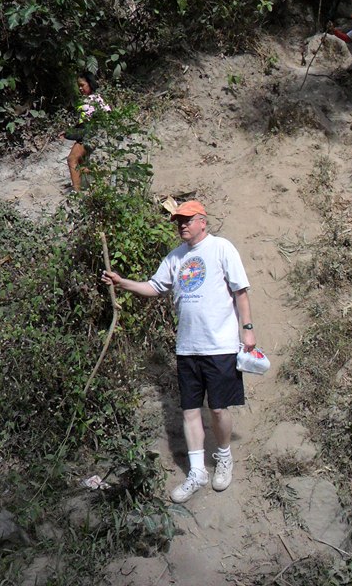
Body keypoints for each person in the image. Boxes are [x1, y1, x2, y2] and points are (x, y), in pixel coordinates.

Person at [100, 200, 256, 503]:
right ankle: (197, 472)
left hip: (220, 345)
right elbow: (155, 287)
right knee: (190, 410)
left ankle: (224, 456)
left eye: (187, 220)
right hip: (187, 347)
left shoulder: (222, 248)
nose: (182, 225)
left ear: (202, 222)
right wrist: (122, 283)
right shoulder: (175, 257)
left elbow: (241, 292)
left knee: (219, 408)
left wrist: (247, 330)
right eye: (178, 221)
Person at [59, 74, 110, 192]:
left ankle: (77, 192)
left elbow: (106, 115)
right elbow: (82, 122)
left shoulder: (96, 99)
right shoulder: (87, 100)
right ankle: (100, 181)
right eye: (79, 86)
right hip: (85, 133)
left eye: (82, 85)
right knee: (81, 165)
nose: (80, 88)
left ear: (90, 84)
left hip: (89, 134)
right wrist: (68, 132)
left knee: (72, 159)